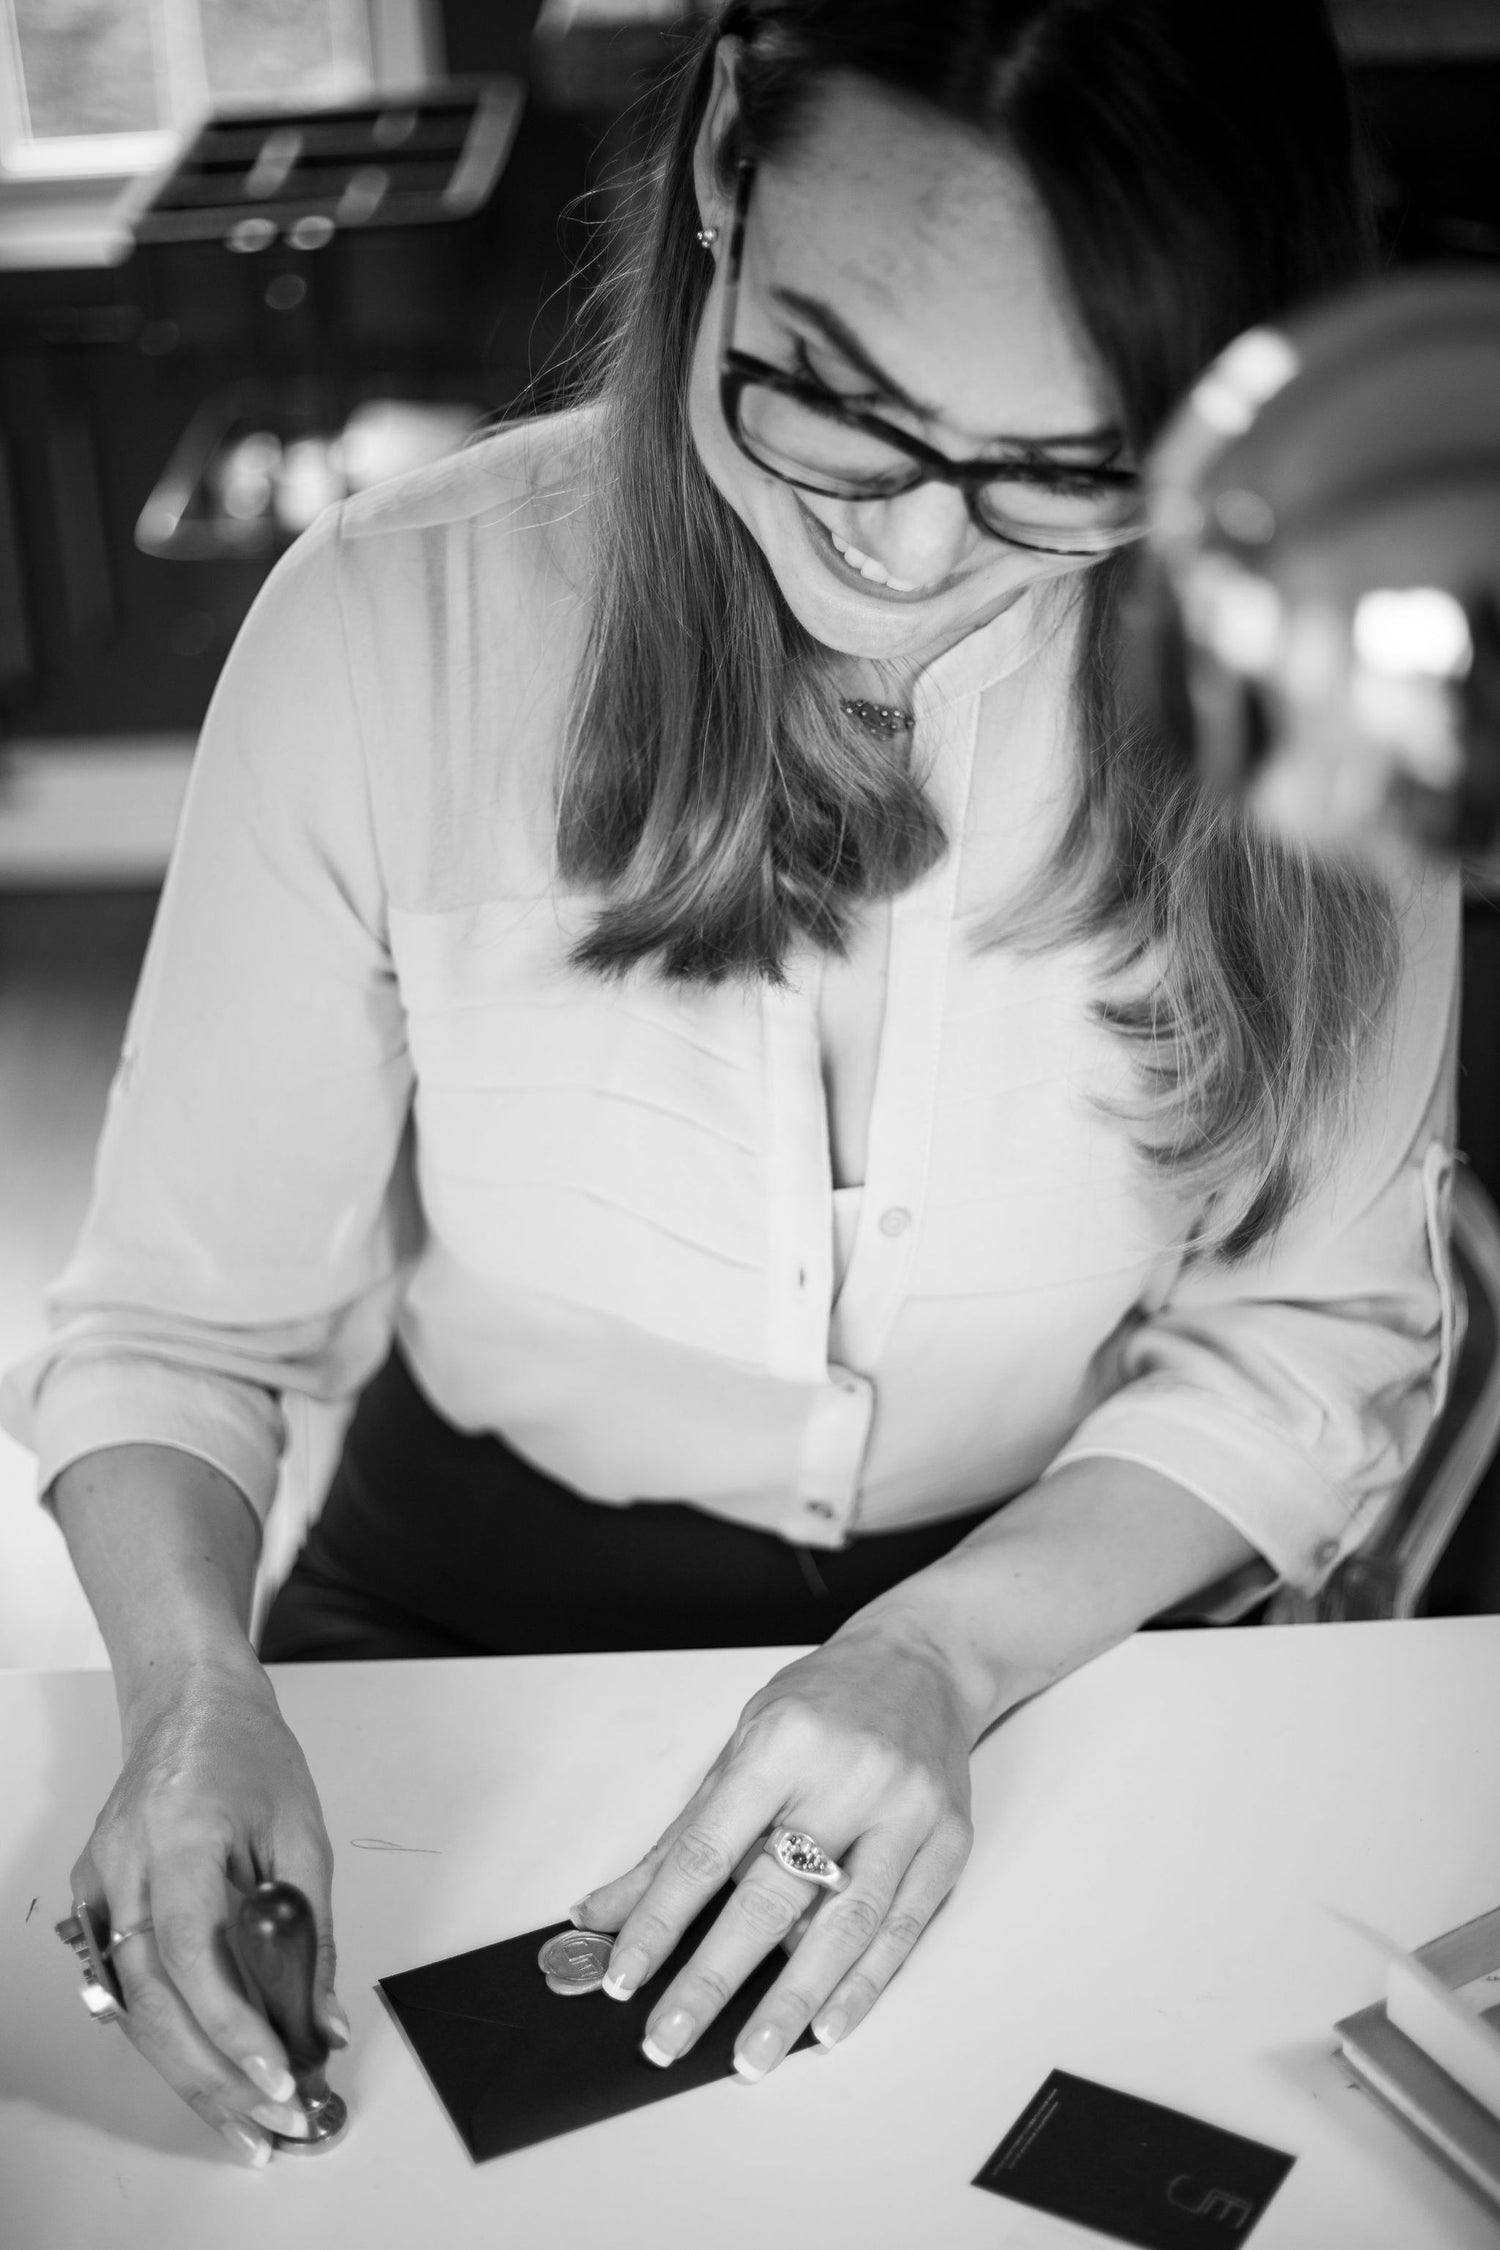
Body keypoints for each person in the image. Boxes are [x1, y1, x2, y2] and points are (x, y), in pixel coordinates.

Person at [2, 0, 1460, 2167]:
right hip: (460, 1593)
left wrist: (946, 1662)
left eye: (1063, 474)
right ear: (716, 183)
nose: (904, 555)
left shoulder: (1332, 662)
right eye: (834, 412)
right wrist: (187, 1692)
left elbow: (1317, 1338)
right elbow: (175, 1327)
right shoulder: (386, 628)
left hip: (1076, 1609)